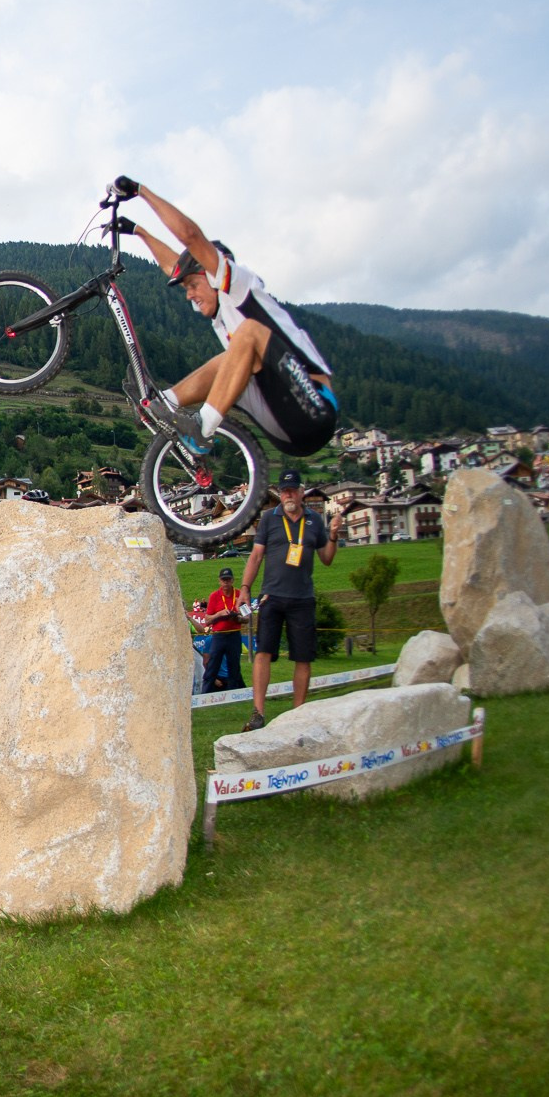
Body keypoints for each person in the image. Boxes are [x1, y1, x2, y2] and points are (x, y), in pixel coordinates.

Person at [110, 176, 340, 458]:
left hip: (313, 409)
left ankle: (202, 427)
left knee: (249, 333)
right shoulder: (219, 313)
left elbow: (191, 237)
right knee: (230, 361)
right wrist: (139, 231)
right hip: (284, 428)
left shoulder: (238, 286)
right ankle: (163, 405)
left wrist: (141, 191)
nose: (189, 295)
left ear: (213, 274)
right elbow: (176, 268)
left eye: (194, 286)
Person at [238, 470, 342, 730]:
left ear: (302, 492)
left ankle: (298, 713)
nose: (288, 495)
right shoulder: (268, 520)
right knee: (263, 652)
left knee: (302, 656)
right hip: (271, 596)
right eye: (284, 491)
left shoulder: (315, 520)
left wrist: (334, 535)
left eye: (293, 490)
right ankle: (258, 713)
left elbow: (327, 559)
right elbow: (256, 556)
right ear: (280, 493)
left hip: (303, 598)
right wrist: (245, 587)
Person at [199, 567, 246, 692]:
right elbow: (207, 620)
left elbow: (247, 618)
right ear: (219, 581)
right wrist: (219, 614)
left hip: (234, 634)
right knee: (213, 665)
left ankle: (234, 694)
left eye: (228, 579)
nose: (226, 582)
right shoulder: (214, 596)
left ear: (233, 580)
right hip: (219, 635)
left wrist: (237, 618)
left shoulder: (240, 595)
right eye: (223, 579)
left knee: (234, 665)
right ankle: (206, 694)